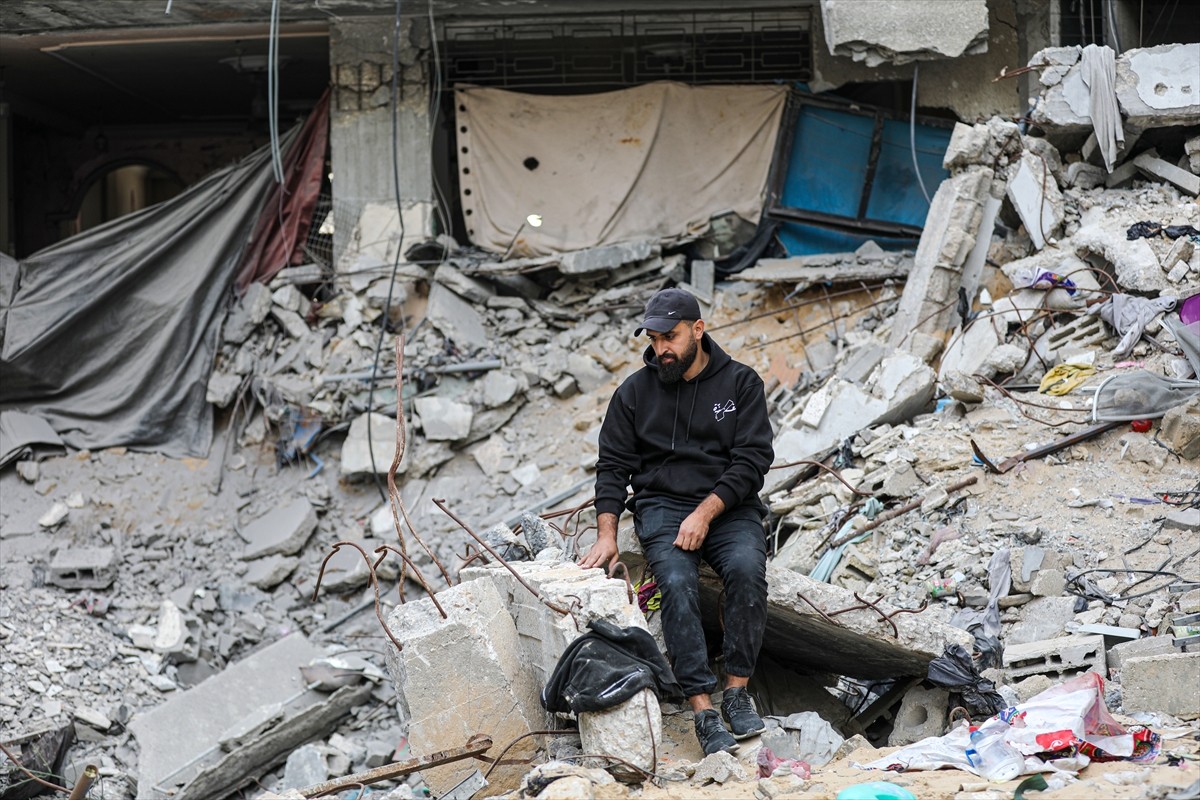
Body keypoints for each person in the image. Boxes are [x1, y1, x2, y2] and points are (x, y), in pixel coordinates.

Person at [580, 286, 775, 755]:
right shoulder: (633, 393)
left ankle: (737, 691)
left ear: (698, 330)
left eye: (670, 337)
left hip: (729, 507)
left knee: (748, 571)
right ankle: (703, 709)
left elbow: (752, 460)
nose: (660, 349)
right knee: (676, 581)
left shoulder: (741, 384)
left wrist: (707, 512)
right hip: (663, 507)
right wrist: (607, 532)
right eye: (653, 338)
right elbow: (612, 467)